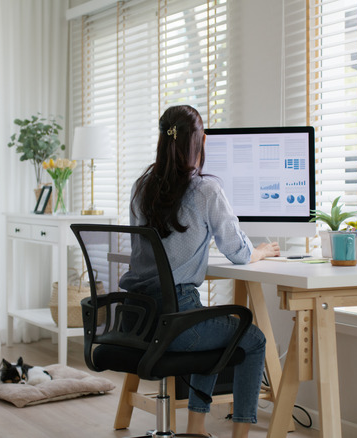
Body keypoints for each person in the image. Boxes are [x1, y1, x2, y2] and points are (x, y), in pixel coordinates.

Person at [119, 104, 280, 438]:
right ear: (199, 141)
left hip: (137, 319)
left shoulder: (141, 188)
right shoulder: (206, 190)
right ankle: (239, 435)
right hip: (177, 319)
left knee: (211, 327)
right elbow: (237, 251)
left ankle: (196, 429)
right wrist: (260, 251)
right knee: (252, 338)